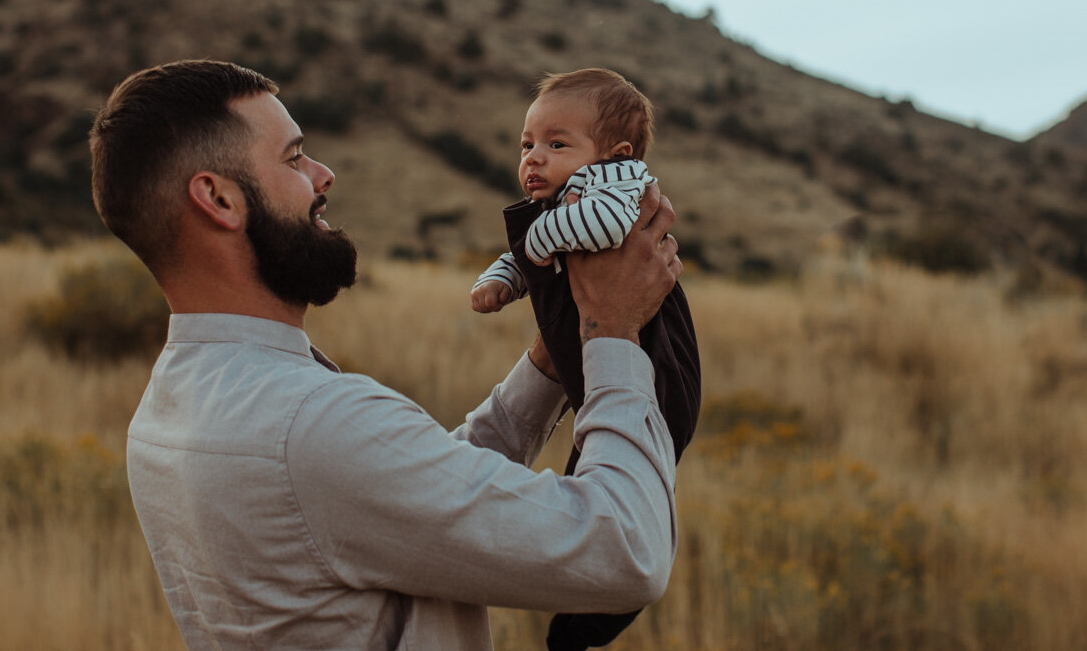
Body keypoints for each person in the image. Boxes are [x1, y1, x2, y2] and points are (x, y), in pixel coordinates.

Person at [89, 60, 682, 651]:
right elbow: (626, 551)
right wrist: (611, 333)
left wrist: (555, 354)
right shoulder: (310, 426)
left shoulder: (167, 412)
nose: (325, 174)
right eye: (294, 159)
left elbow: (408, 495)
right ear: (218, 198)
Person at [471, 68, 701, 650]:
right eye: (527, 144)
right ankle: (580, 618)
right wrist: (503, 278)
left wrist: (536, 245)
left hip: (652, 363)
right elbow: (525, 258)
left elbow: (599, 229)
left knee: (630, 476)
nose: (534, 159)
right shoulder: (558, 203)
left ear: (614, 154)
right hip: (596, 360)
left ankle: (599, 610)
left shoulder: (619, 185)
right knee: (589, 476)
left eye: (556, 144)